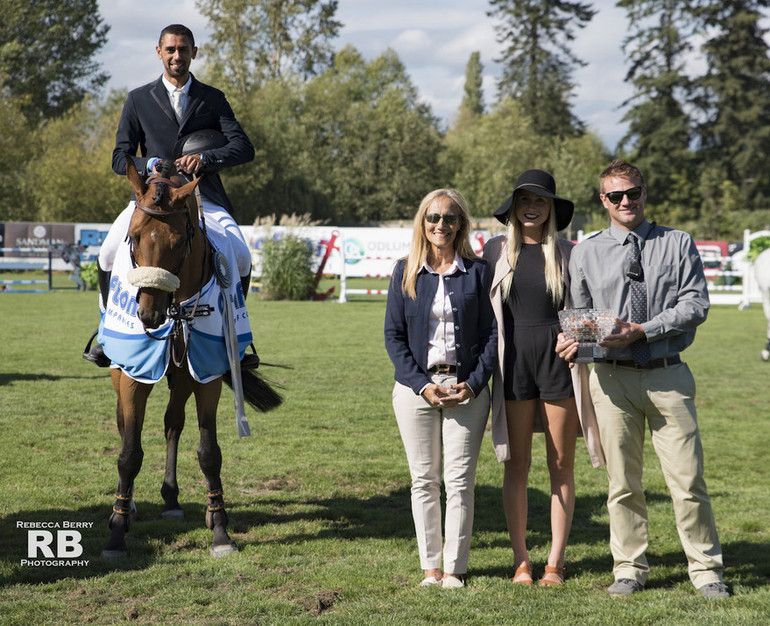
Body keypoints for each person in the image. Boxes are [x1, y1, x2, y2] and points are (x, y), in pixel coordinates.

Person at [556, 159, 729, 599]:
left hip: (667, 375)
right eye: (616, 195)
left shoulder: (677, 243)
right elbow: (581, 321)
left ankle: (706, 571)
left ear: (644, 193)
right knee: (622, 484)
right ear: (604, 201)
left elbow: (696, 305)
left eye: (633, 192)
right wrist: (573, 341)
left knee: (688, 482)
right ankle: (629, 567)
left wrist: (641, 331)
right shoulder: (586, 252)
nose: (626, 201)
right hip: (611, 382)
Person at [83, 23, 256, 367]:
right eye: (171, 49)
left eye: (184, 49)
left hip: (202, 194)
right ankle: (104, 332)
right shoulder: (137, 99)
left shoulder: (213, 98)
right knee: (107, 252)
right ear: (159, 52)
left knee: (241, 255)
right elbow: (120, 157)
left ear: (195, 52)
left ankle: (237, 336)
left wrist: (206, 159)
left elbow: (243, 148)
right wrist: (151, 164)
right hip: (153, 200)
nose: (177, 56)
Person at [483, 170, 604, 587]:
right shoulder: (495, 251)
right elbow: (480, 313)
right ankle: (521, 561)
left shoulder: (571, 253)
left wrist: (581, 348)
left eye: (540, 201)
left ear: (552, 207)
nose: (531, 208)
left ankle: (555, 562)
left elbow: (589, 311)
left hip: (560, 369)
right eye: (524, 200)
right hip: (512, 366)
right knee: (515, 465)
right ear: (513, 207)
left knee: (561, 465)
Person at [384, 189, 497, 589]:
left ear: (461, 224)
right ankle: (430, 567)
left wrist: (473, 384)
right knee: (424, 480)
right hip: (417, 388)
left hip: (465, 388)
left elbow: (491, 335)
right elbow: (393, 337)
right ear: (423, 222)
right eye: (433, 218)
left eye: (449, 219)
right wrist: (421, 386)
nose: (440, 225)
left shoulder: (480, 272)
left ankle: (455, 568)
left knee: (460, 481)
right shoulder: (405, 272)